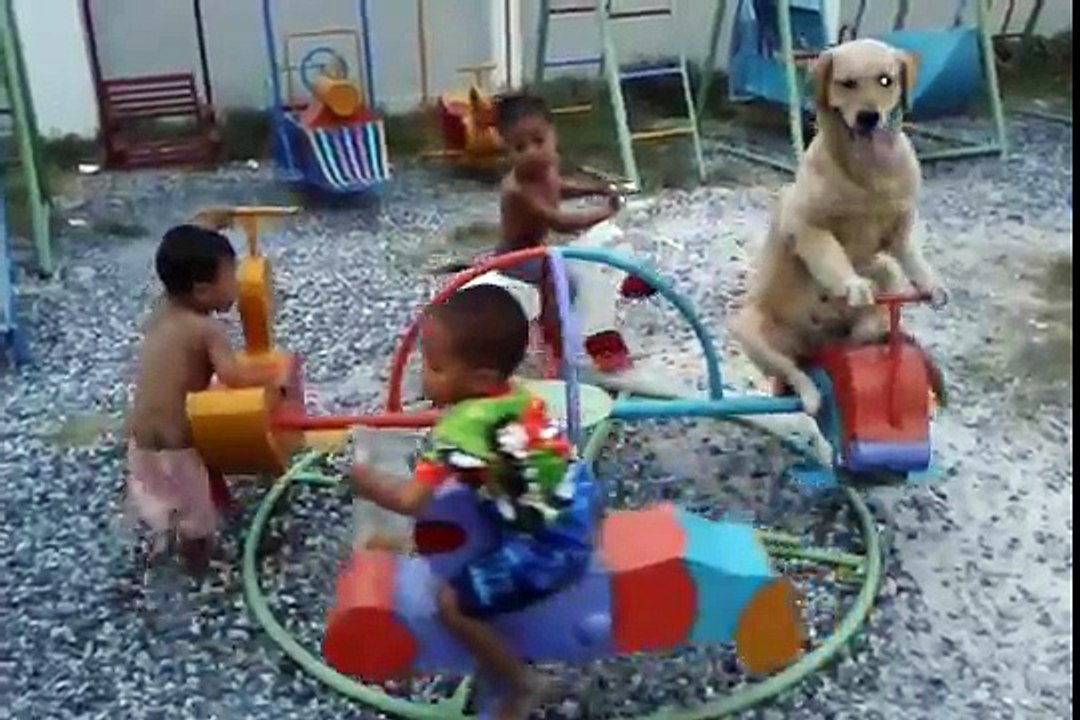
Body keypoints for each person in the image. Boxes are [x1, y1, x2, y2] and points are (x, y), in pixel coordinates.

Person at [351, 285, 595, 720]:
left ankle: (521, 683)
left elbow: (411, 501)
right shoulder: (517, 393)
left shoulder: (459, 429)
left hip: (549, 540)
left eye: (435, 366)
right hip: (576, 497)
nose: (423, 376)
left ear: (481, 379)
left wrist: (363, 481)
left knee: (452, 603)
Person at [125, 220, 282, 575]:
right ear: (201, 290)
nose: (238, 285)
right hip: (177, 447)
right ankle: (198, 567)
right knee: (196, 520)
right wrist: (272, 379)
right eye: (231, 277)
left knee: (161, 504)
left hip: (139, 442)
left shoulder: (163, 310)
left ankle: (158, 541)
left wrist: (208, 226)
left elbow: (179, 248)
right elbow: (233, 375)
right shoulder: (208, 329)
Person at [494, 92, 655, 373]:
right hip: (517, 256)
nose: (532, 152)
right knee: (560, 279)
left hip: (538, 247)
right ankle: (553, 343)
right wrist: (602, 213)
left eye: (539, 141)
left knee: (592, 256)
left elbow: (562, 187)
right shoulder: (517, 189)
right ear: (507, 150)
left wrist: (597, 188)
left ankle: (622, 282)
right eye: (520, 148)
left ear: (553, 135)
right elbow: (559, 222)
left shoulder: (547, 167)